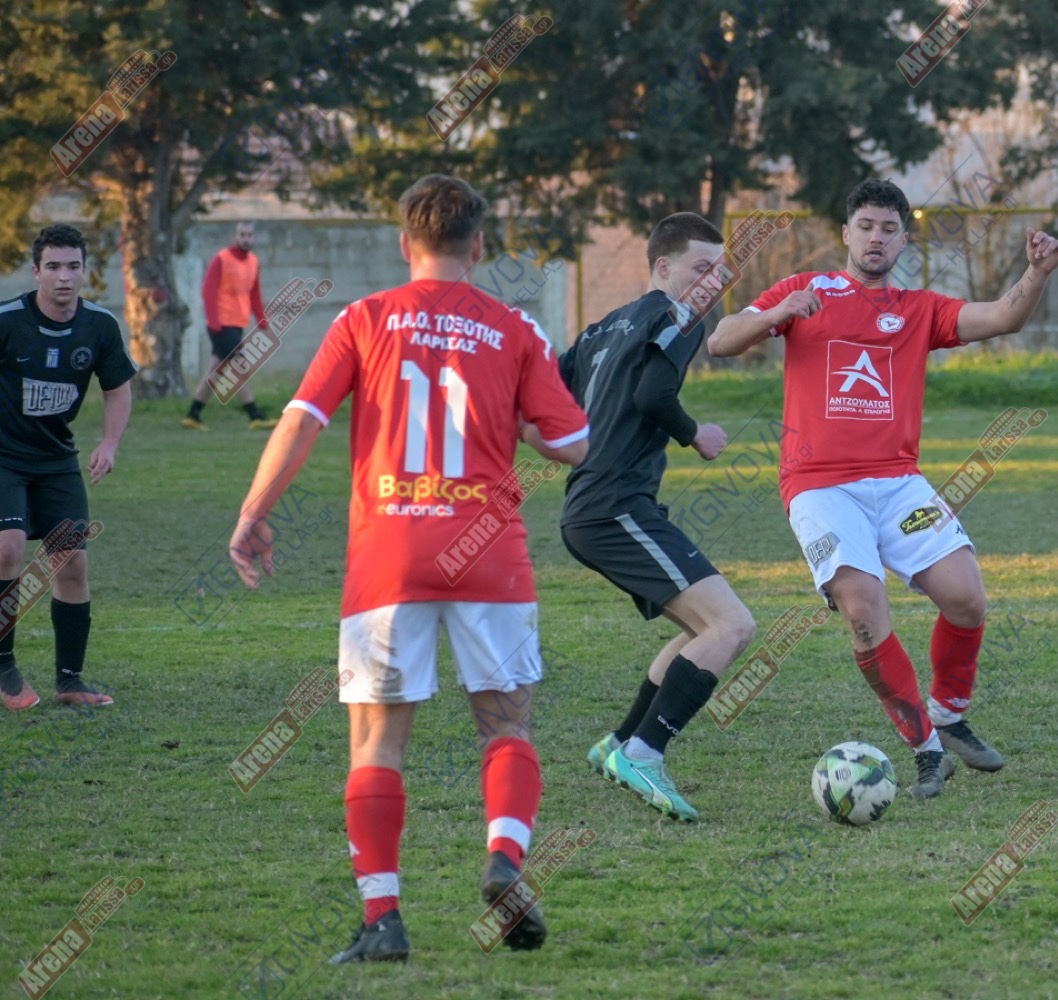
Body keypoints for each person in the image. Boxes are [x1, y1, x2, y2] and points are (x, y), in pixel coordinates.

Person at [228, 175, 589, 963]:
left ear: (404, 244)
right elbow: (572, 443)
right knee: (506, 723)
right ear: (479, 245)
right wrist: (523, 424)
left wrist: (254, 511)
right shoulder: (515, 326)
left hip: (389, 554)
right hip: (489, 551)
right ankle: (505, 856)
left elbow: (302, 420)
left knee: (377, 741)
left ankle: (383, 920)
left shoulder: (364, 318)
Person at [707, 179, 1058, 799]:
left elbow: (1003, 317)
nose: (876, 238)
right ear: (846, 233)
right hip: (820, 486)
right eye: (866, 226)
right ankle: (927, 749)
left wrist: (1036, 273)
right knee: (863, 611)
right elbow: (719, 342)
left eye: (889, 229)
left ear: (904, 240)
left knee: (967, 600)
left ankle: (949, 714)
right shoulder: (805, 290)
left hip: (899, 483)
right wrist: (774, 314)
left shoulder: (918, 308)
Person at [560, 212, 757, 824]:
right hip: (614, 505)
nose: (710, 283)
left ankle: (620, 742)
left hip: (594, 507)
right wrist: (696, 434)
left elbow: (549, 389)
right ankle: (645, 752)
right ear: (663, 267)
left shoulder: (602, 328)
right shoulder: (678, 318)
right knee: (732, 626)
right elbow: (652, 395)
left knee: (703, 628)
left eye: (718, 273)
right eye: (700, 269)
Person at [0, 224, 135, 711]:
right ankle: (4, 669)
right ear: (36, 271)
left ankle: (70, 681)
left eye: (73, 267)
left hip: (57, 459)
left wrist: (110, 444)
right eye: (53, 267)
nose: (64, 277)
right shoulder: (7, 321)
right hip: (4, 456)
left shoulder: (100, 326)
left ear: (84, 272)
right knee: (7, 547)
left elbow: (117, 388)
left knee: (72, 562)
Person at [183, 221, 279, 430]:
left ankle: (193, 414)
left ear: (254, 238)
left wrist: (261, 319)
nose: (246, 239)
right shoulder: (222, 259)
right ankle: (255, 415)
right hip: (222, 325)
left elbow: (254, 293)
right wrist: (213, 321)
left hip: (237, 323)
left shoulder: (253, 262)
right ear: (235, 237)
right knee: (240, 366)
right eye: (242, 235)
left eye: (249, 235)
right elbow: (208, 291)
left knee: (216, 370)